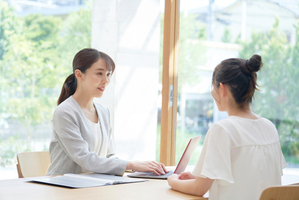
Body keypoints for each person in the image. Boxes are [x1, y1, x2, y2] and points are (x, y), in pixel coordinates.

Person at [167, 55, 287, 200]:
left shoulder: (222, 129)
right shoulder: (269, 127)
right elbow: (251, 175)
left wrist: (172, 181)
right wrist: (205, 175)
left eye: (213, 87)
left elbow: (198, 189)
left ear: (222, 89)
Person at [47, 48, 168, 176]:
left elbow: (109, 156)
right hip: (62, 186)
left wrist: (138, 167)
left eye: (108, 74)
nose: (106, 80)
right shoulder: (64, 112)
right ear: (79, 75)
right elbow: (85, 159)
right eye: (99, 73)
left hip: (91, 183)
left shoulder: (103, 112)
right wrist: (131, 164)